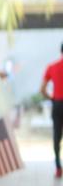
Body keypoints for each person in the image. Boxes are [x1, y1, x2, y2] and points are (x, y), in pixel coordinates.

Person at [40, 42, 63, 176]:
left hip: (58, 104)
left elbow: (42, 89)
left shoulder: (52, 67)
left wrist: (52, 98)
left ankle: (58, 167)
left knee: (57, 135)